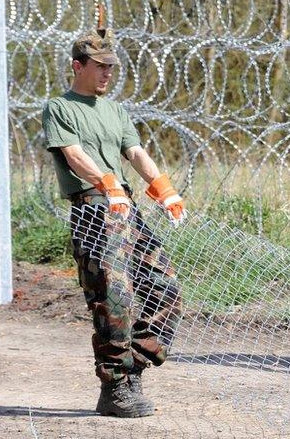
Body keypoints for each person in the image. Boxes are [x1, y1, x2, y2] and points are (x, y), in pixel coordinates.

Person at [42, 27, 184, 417]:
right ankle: (114, 387)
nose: (108, 74)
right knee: (113, 296)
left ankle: (134, 366)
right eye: (100, 67)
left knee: (165, 286)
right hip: (93, 209)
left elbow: (134, 152)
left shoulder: (115, 110)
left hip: (126, 209)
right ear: (77, 66)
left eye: (111, 68)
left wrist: (163, 187)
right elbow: (73, 154)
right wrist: (105, 182)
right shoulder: (60, 108)